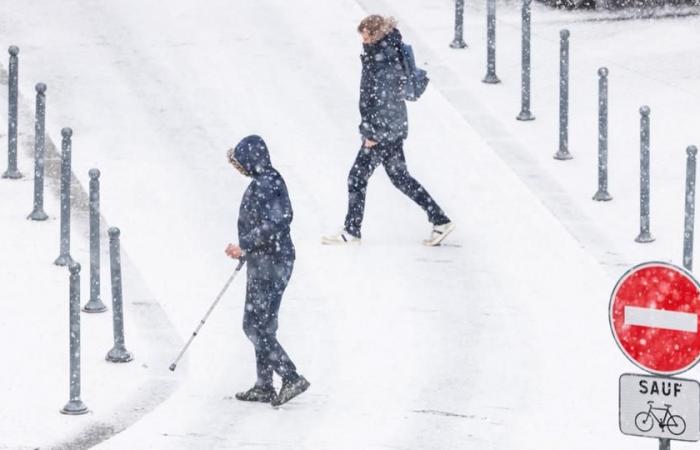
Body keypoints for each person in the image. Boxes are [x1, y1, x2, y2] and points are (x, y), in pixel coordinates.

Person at [322, 15, 454, 247]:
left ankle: (352, 232)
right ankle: (440, 219)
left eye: (365, 34)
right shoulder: (382, 53)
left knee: (357, 177)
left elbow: (384, 102)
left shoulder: (384, 60)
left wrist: (372, 133)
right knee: (400, 178)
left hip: (383, 131)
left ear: (375, 34)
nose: (362, 39)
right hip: (390, 130)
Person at [225, 135, 309, 407]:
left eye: (240, 161)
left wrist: (246, 245)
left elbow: (279, 221)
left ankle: (290, 376)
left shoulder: (266, 183)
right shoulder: (267, 181)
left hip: (271, 264)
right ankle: (264, 385)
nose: (239, 168)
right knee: (263, 323)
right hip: (269, 261)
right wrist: (246, 251)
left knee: (254, 325)